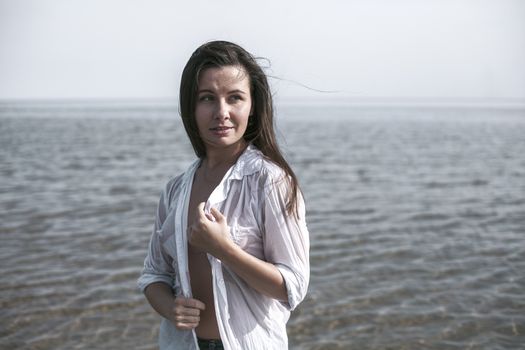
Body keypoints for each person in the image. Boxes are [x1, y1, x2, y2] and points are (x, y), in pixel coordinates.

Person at [137, 40, 310, 350]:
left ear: (252, 106)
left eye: (235, 98)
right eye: (207, 98)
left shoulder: (270, 181)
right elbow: (154, 274)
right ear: (191, 106)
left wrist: (223, 249)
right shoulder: (175, 190)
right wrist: (169, 307)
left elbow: (292, 287)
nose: (221, 112)